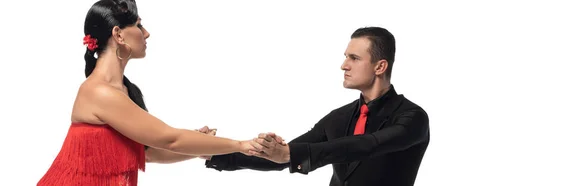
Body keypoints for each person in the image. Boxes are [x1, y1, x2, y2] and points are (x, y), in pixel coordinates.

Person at [36, 0, 259, 185]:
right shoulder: (99, 92)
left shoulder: (123, 90)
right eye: (139, 25)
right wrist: (242, 145)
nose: (147, 33)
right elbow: (170, 139)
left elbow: (149, 153)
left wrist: (198, 145)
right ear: (119, 35)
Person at [204, 26, 430, 186]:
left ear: (380, 67)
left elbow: (367, 145)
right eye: (345, 57)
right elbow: (281, 158)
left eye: (354, 58)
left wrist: (290, 153)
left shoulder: (412, 118)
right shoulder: (339, 117)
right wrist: (212, 151)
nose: (344, 65)